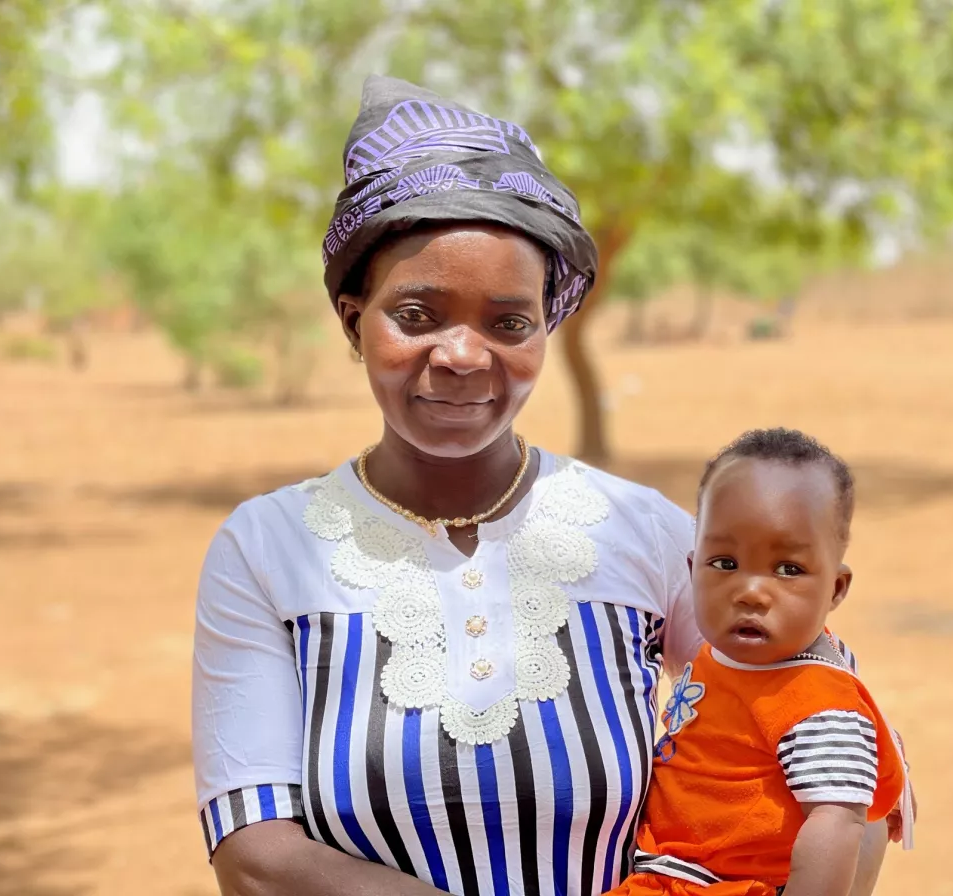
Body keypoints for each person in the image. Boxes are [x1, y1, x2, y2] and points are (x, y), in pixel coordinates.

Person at [191, 76, 892, 896]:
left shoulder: (644, 533)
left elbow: (848, 785)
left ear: (546, 331)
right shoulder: (269, 549)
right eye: (417, 314)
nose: (462, 355)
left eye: (509, 322)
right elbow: (256, 858)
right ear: (354, 320)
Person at [608, 429, 914, 896]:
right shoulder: (733, 654)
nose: (750, 591)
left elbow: (838, 823)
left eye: (788, 569)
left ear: (835, 589)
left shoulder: (818, 705)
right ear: (691, 569)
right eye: (725, 563)